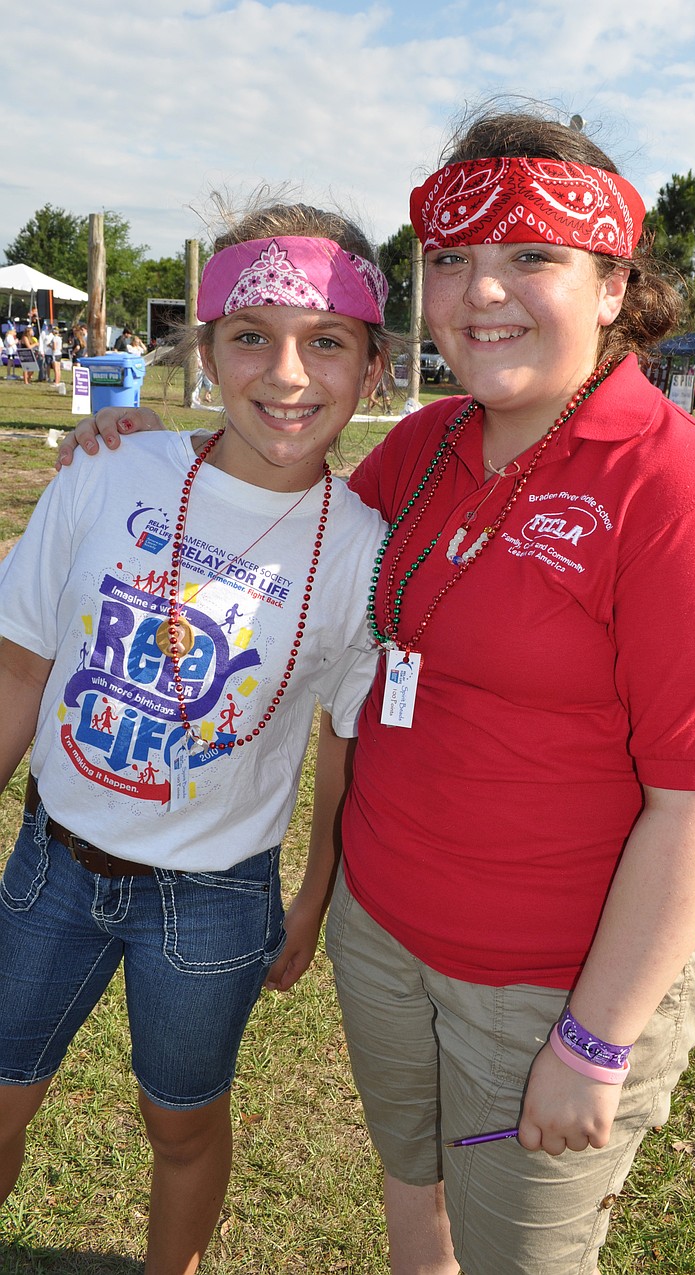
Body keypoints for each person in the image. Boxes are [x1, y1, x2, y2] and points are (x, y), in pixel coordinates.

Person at [57, 104, 695, 1275]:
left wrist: (594, 1044)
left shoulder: (683, 500)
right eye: (451, 260)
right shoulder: (434, 444)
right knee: (415, 1210)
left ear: (612, 284)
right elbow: (275, 487)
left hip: (551, 983)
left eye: (530, 257)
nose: (480, 293)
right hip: (384, 937)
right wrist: (140, 446)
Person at [0, 197, 389, 1275]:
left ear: (373, 368)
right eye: (251, 336)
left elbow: (346, 736)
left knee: (181, 1125)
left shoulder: (364, 552)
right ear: (206, 351)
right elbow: (21, 662)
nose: (288, 374)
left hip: (213, 900)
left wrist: (310, 895)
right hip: (52, 867)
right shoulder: (111, 470)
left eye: (328, 344)